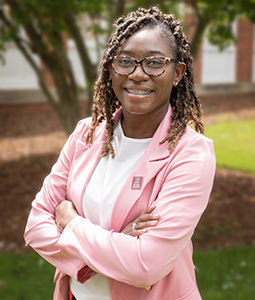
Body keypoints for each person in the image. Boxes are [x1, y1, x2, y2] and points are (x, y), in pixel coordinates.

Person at [24, 6, 216, 300]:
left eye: (155, 63)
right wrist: (96, 260)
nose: (138, 75)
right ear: (111, 68)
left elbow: (145, 265)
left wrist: (71, 224)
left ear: (177, 73)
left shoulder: (191, 155)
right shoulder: (85, 135)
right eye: (125, 62)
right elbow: (37, 225)